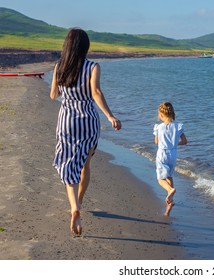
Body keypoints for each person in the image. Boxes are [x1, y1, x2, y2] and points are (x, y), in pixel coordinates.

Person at [50, 28, 121, 235]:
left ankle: (74, 207)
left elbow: (53, 95)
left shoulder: (58, 67)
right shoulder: (93, 66)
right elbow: (96, 93)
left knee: (67, 163)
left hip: (66, 121)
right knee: (84, 165)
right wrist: (110, 116)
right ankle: (79, 204)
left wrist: (61, 85)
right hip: (88, 121)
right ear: (85, 46)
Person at [153, 102, 187, 216]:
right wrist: (174, 144)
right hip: (173, 154)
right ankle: (170, 201)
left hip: (162, 153)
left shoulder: (158, 127)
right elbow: (184, 141)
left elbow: (156, 142)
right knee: (169, 176)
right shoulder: (178, 126)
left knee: (160, 179)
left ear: (161, 115)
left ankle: (170, 191)